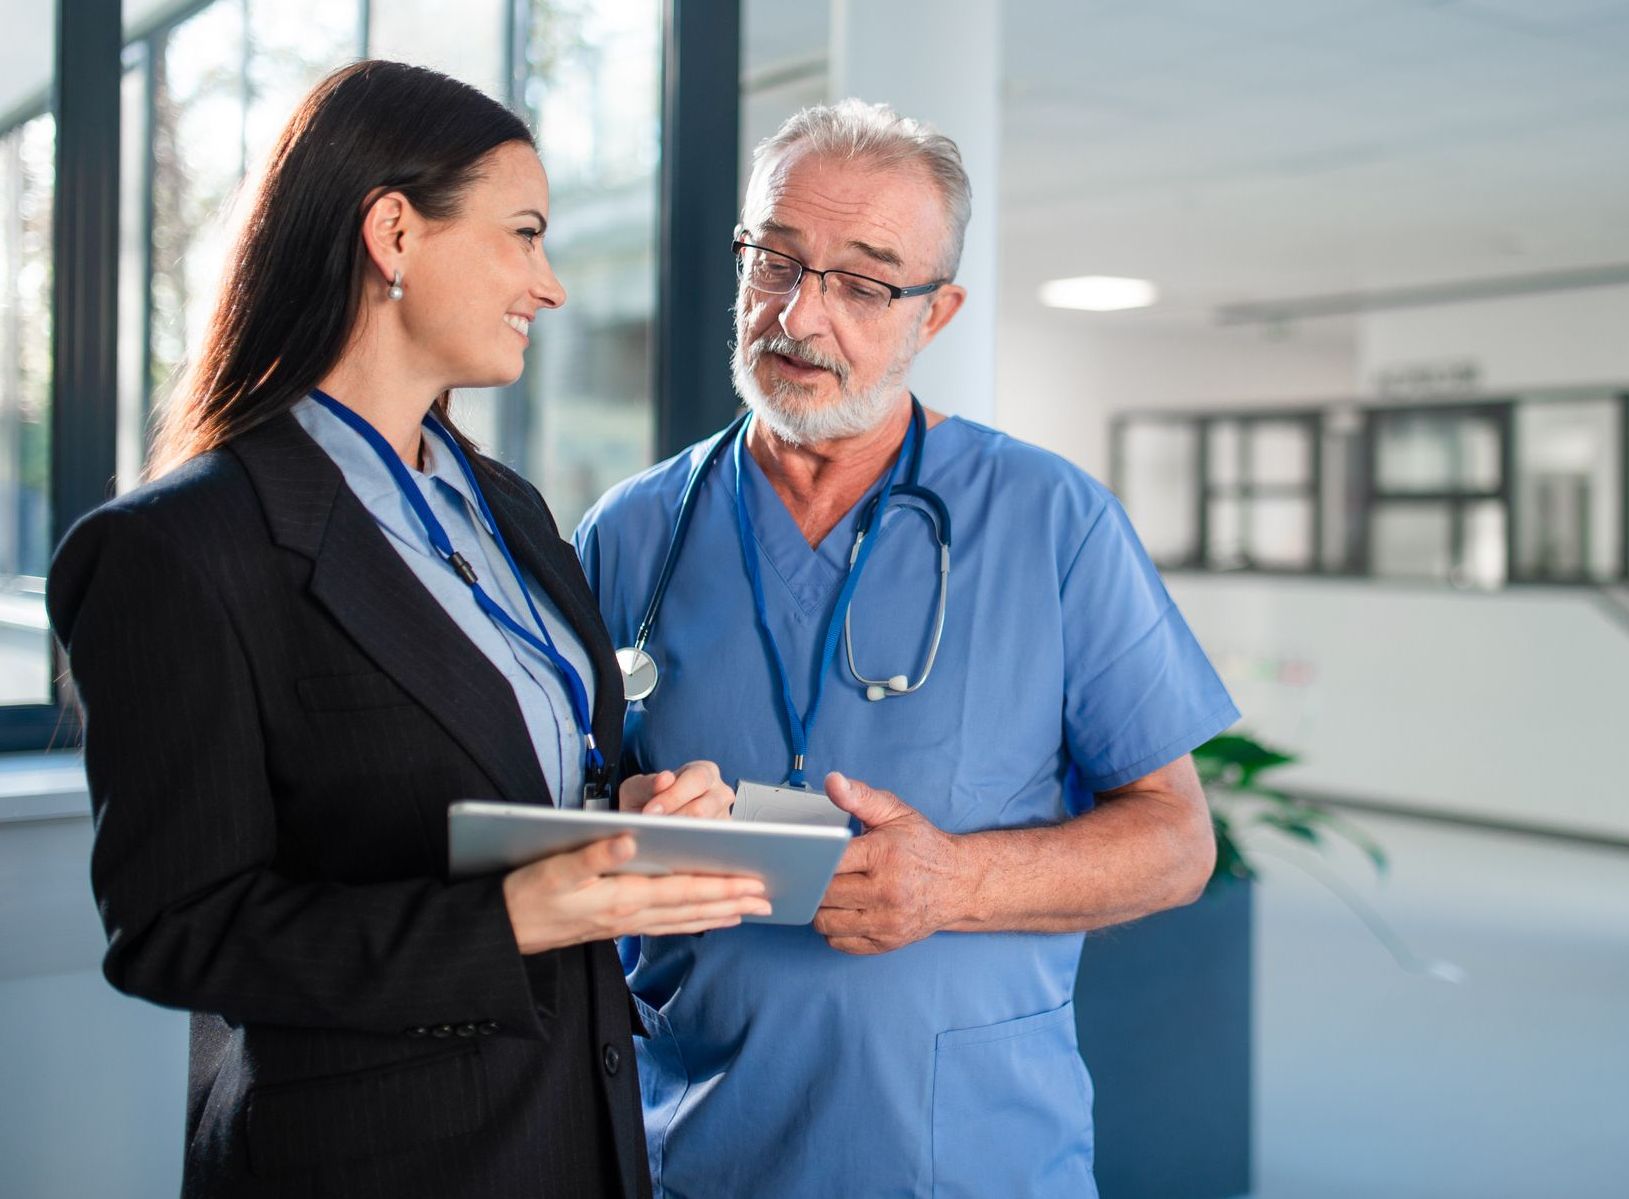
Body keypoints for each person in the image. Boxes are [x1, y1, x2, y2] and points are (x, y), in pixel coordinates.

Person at [45, 61, 762, 1199]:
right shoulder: (181, 548)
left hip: (581, 1134)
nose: (552, 283)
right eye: (523, 234)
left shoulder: (507, 509)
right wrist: (506, 917)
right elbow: (179, 931)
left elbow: (523, 769)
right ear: (393, 233)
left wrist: (623, 809)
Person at [575, 99, 1239, 1197]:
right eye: (774, 262)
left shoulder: (1049, 520)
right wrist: (621, 820)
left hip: (971, 1152)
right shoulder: (632, 530)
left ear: (936, 314)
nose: (800, 314)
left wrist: (956, 881)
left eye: (864, 282)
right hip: (694, 1145)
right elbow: (561, 810)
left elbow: (1178, 843)